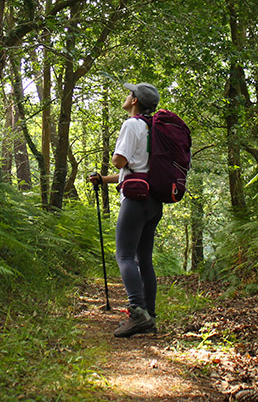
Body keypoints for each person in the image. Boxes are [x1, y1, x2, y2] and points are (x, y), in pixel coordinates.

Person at [89, 82, 163, 338]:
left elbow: (120, 160)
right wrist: (104, 179)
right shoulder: (153, 128)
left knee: (124, 256)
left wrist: (114, 159)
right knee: (144, 258)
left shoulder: (132, 124)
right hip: (153, 200)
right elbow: (134, 170)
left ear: (134, 101)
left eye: (130, 93)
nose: (127, 95)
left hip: (135, 201)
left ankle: (137, 313)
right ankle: (150, 315)